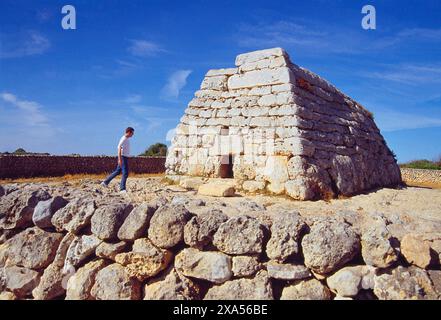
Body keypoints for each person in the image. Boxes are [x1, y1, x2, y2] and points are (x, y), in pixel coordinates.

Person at [101, 127, 135, 193]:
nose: (133, 134)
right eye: (132, 133)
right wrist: (119, 159)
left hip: (124, 157)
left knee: (117, 171)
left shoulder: (126, 139)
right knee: (125, 173)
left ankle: (105, 182)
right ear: (129, 132)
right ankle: (122, 189)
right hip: (123, 157)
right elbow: (119, 148)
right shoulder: (124, 139)